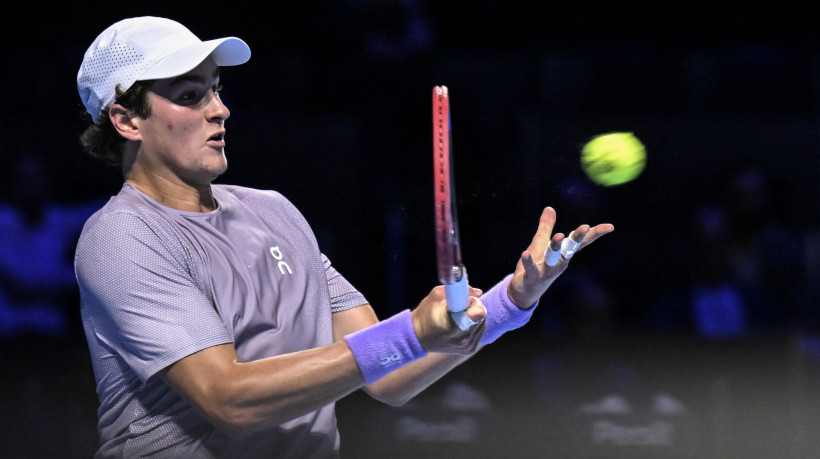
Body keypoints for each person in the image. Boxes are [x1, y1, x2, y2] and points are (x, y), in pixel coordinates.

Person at [74, 16, 613, 458]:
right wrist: (412, 332)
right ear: (126, 120)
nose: (220, 109)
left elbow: (388, 374)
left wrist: (512, 300)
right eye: (191, 95)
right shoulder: (122, 238)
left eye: (215, 89)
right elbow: (229, 400)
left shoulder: (273, 211)